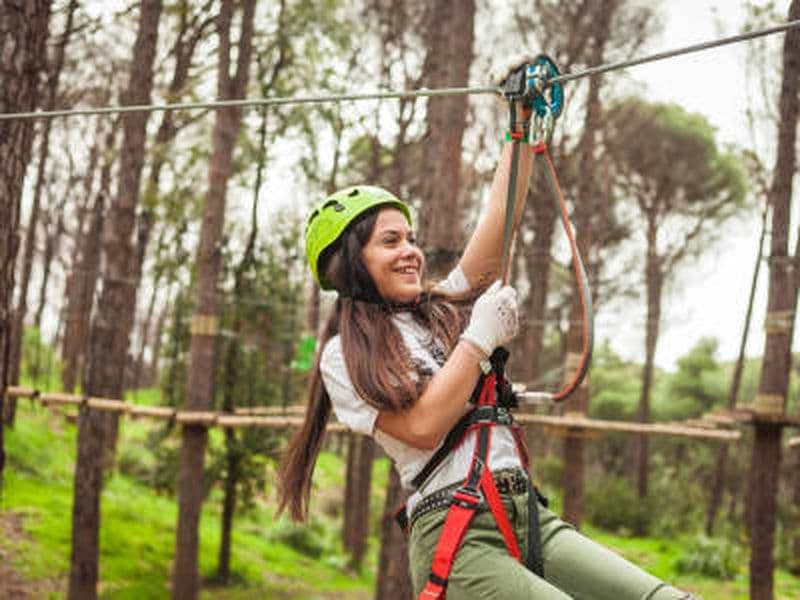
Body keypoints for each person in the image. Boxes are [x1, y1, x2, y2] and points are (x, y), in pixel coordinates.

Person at [278, 68, 695, 600]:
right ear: (350, 262)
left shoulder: (439, 309)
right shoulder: (344, 356)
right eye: (390, 241)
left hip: (523, 513)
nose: (411, 251)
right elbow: (424, 426)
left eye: (410, 238)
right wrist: (477, 339)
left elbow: (498, 221)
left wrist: (519, 129)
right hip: (456, 530)